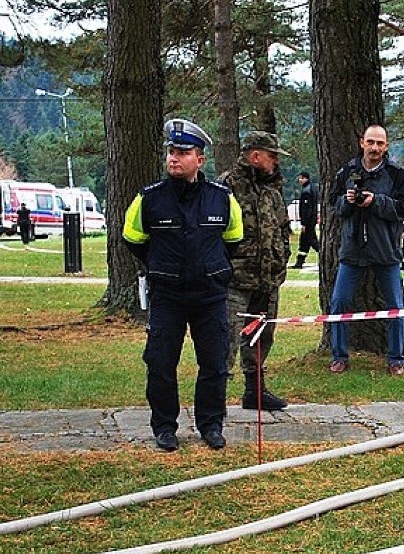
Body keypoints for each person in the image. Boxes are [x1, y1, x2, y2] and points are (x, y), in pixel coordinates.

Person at [122, 118, 244, 452]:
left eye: (183, 152)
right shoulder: (149, 199)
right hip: (168, 295)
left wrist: (208, 267)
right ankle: (164, 427)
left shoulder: (222, 198)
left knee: (215, 363)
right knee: (161, 363)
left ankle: (211, 424)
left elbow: (233, 239)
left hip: (209, 294)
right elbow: (133, 239)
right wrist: (161, 264)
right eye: (171, 152)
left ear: (200, 159)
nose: (174, 158)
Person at [328, 124, 404, 376]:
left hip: (385, 251)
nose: (375, 148)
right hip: (352, 251)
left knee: (395, 306)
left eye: (380, 143)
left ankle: (396, 359)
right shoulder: (347, 171)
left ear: (386, 146)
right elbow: (334, 204)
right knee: (339, 302)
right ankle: (339, 356)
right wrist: (347, 201)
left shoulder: (396, 174)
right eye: (371, 142)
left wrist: (377, 201)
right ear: (362, 143)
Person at [218, 131, 291, 411]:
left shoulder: (273, 190)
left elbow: (282, 228)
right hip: (235, 280)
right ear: (255, 156)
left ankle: (255, 391)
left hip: (268, 279)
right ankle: (216, 398)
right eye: (272, 156)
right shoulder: (228, 186)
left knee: (261, 336)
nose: (275, 162)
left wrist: (280, 257)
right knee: (226, 339)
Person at [291, 171, 320, 269]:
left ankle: (323, 253)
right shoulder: (313, 188)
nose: (300, 180)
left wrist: (304, 223)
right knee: (304, 242)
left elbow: (306, 209)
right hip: (312, 219)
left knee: (312, 240)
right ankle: (299, 262)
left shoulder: (306, 191)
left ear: (306, 178)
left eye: (301, 178)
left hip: (308, 221)